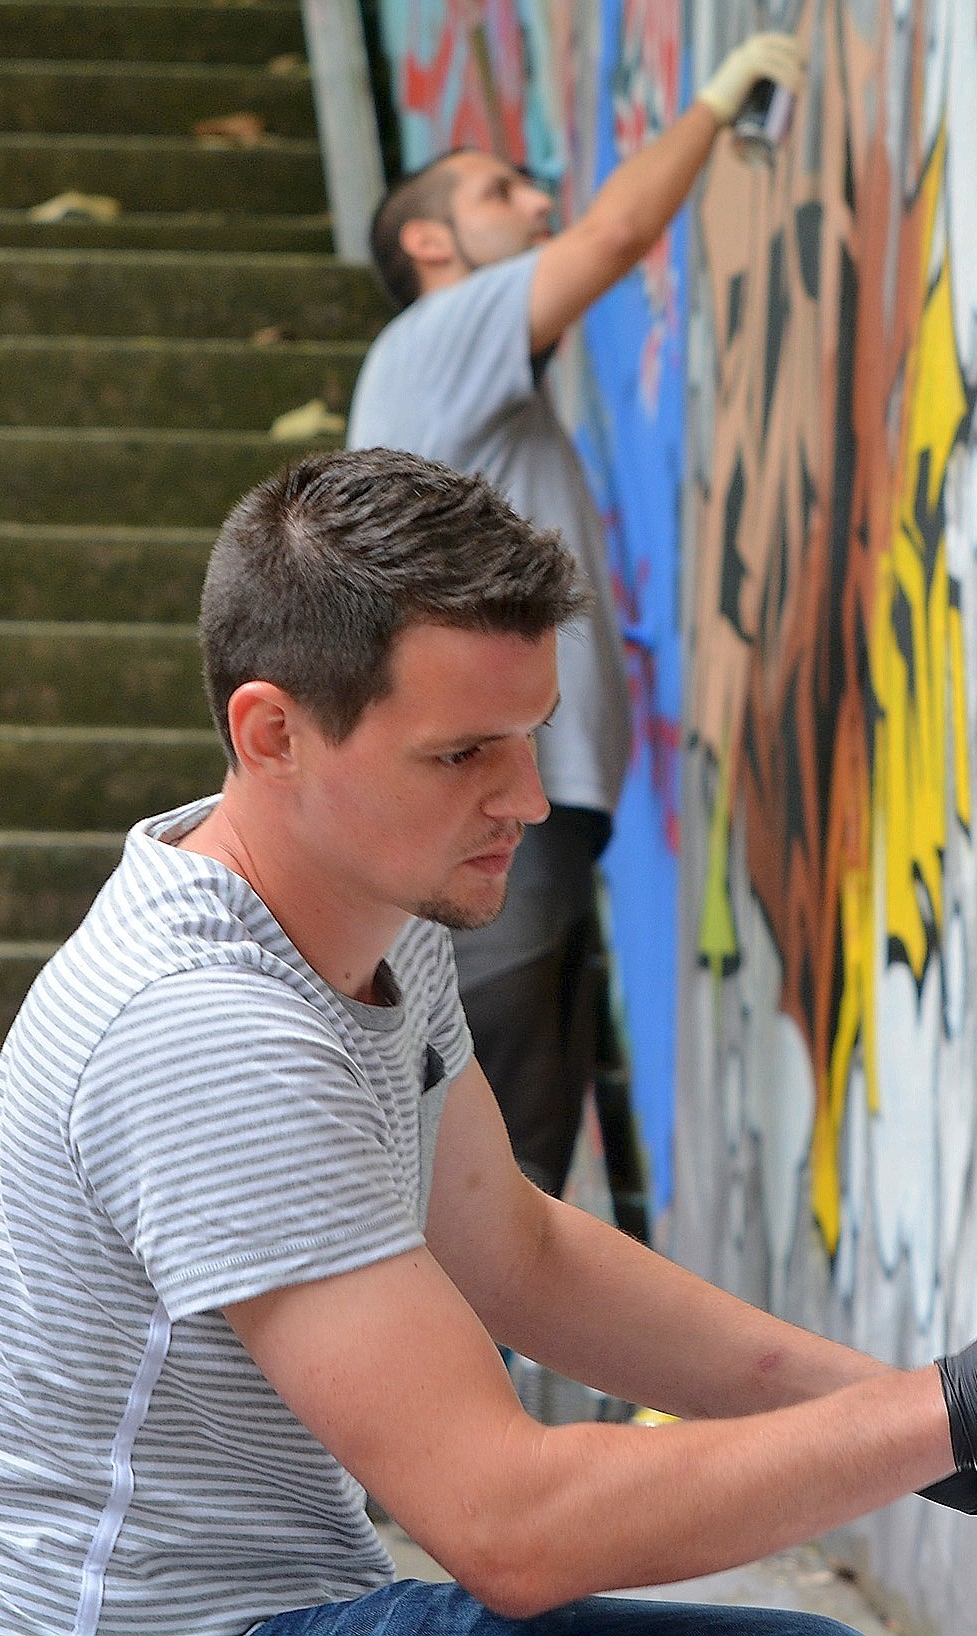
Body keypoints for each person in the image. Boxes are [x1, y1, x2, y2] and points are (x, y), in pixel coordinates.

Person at [0, 449, 977, 1636]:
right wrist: (956, 1404)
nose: (525, 799)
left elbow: (513, 1253)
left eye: (531, 738)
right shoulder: (203, 1030)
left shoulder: (368, 910)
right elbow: (510, 1526)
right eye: (461, 757)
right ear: (271, 733)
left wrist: (916, 1427)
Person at [345, 32, 805, 1203]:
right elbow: (613, 237)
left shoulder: (464, 384)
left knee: (520, 1162)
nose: (539, 198)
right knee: (489, 1162)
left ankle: (481, 1383)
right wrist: (713, 102)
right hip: (490, 801)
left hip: (522, 804)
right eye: (500, 191)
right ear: (429, 243)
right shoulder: (438, 338)